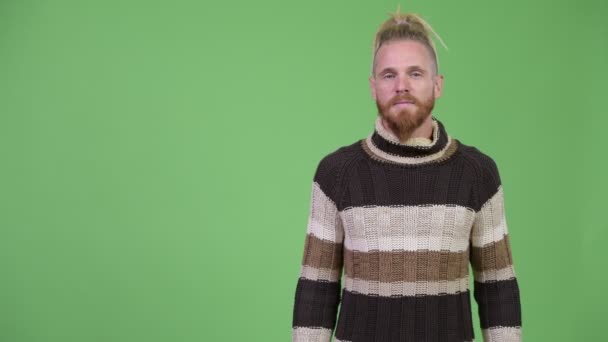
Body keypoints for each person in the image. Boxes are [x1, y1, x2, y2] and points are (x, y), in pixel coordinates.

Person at [291, 7, 523, 342]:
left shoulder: (478, 174)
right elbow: (316, 291)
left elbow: (498, 289)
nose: (402, 86)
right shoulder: (336, 174)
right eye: (389, 75)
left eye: (415, 74)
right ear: (373, 87)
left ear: (437, 85)